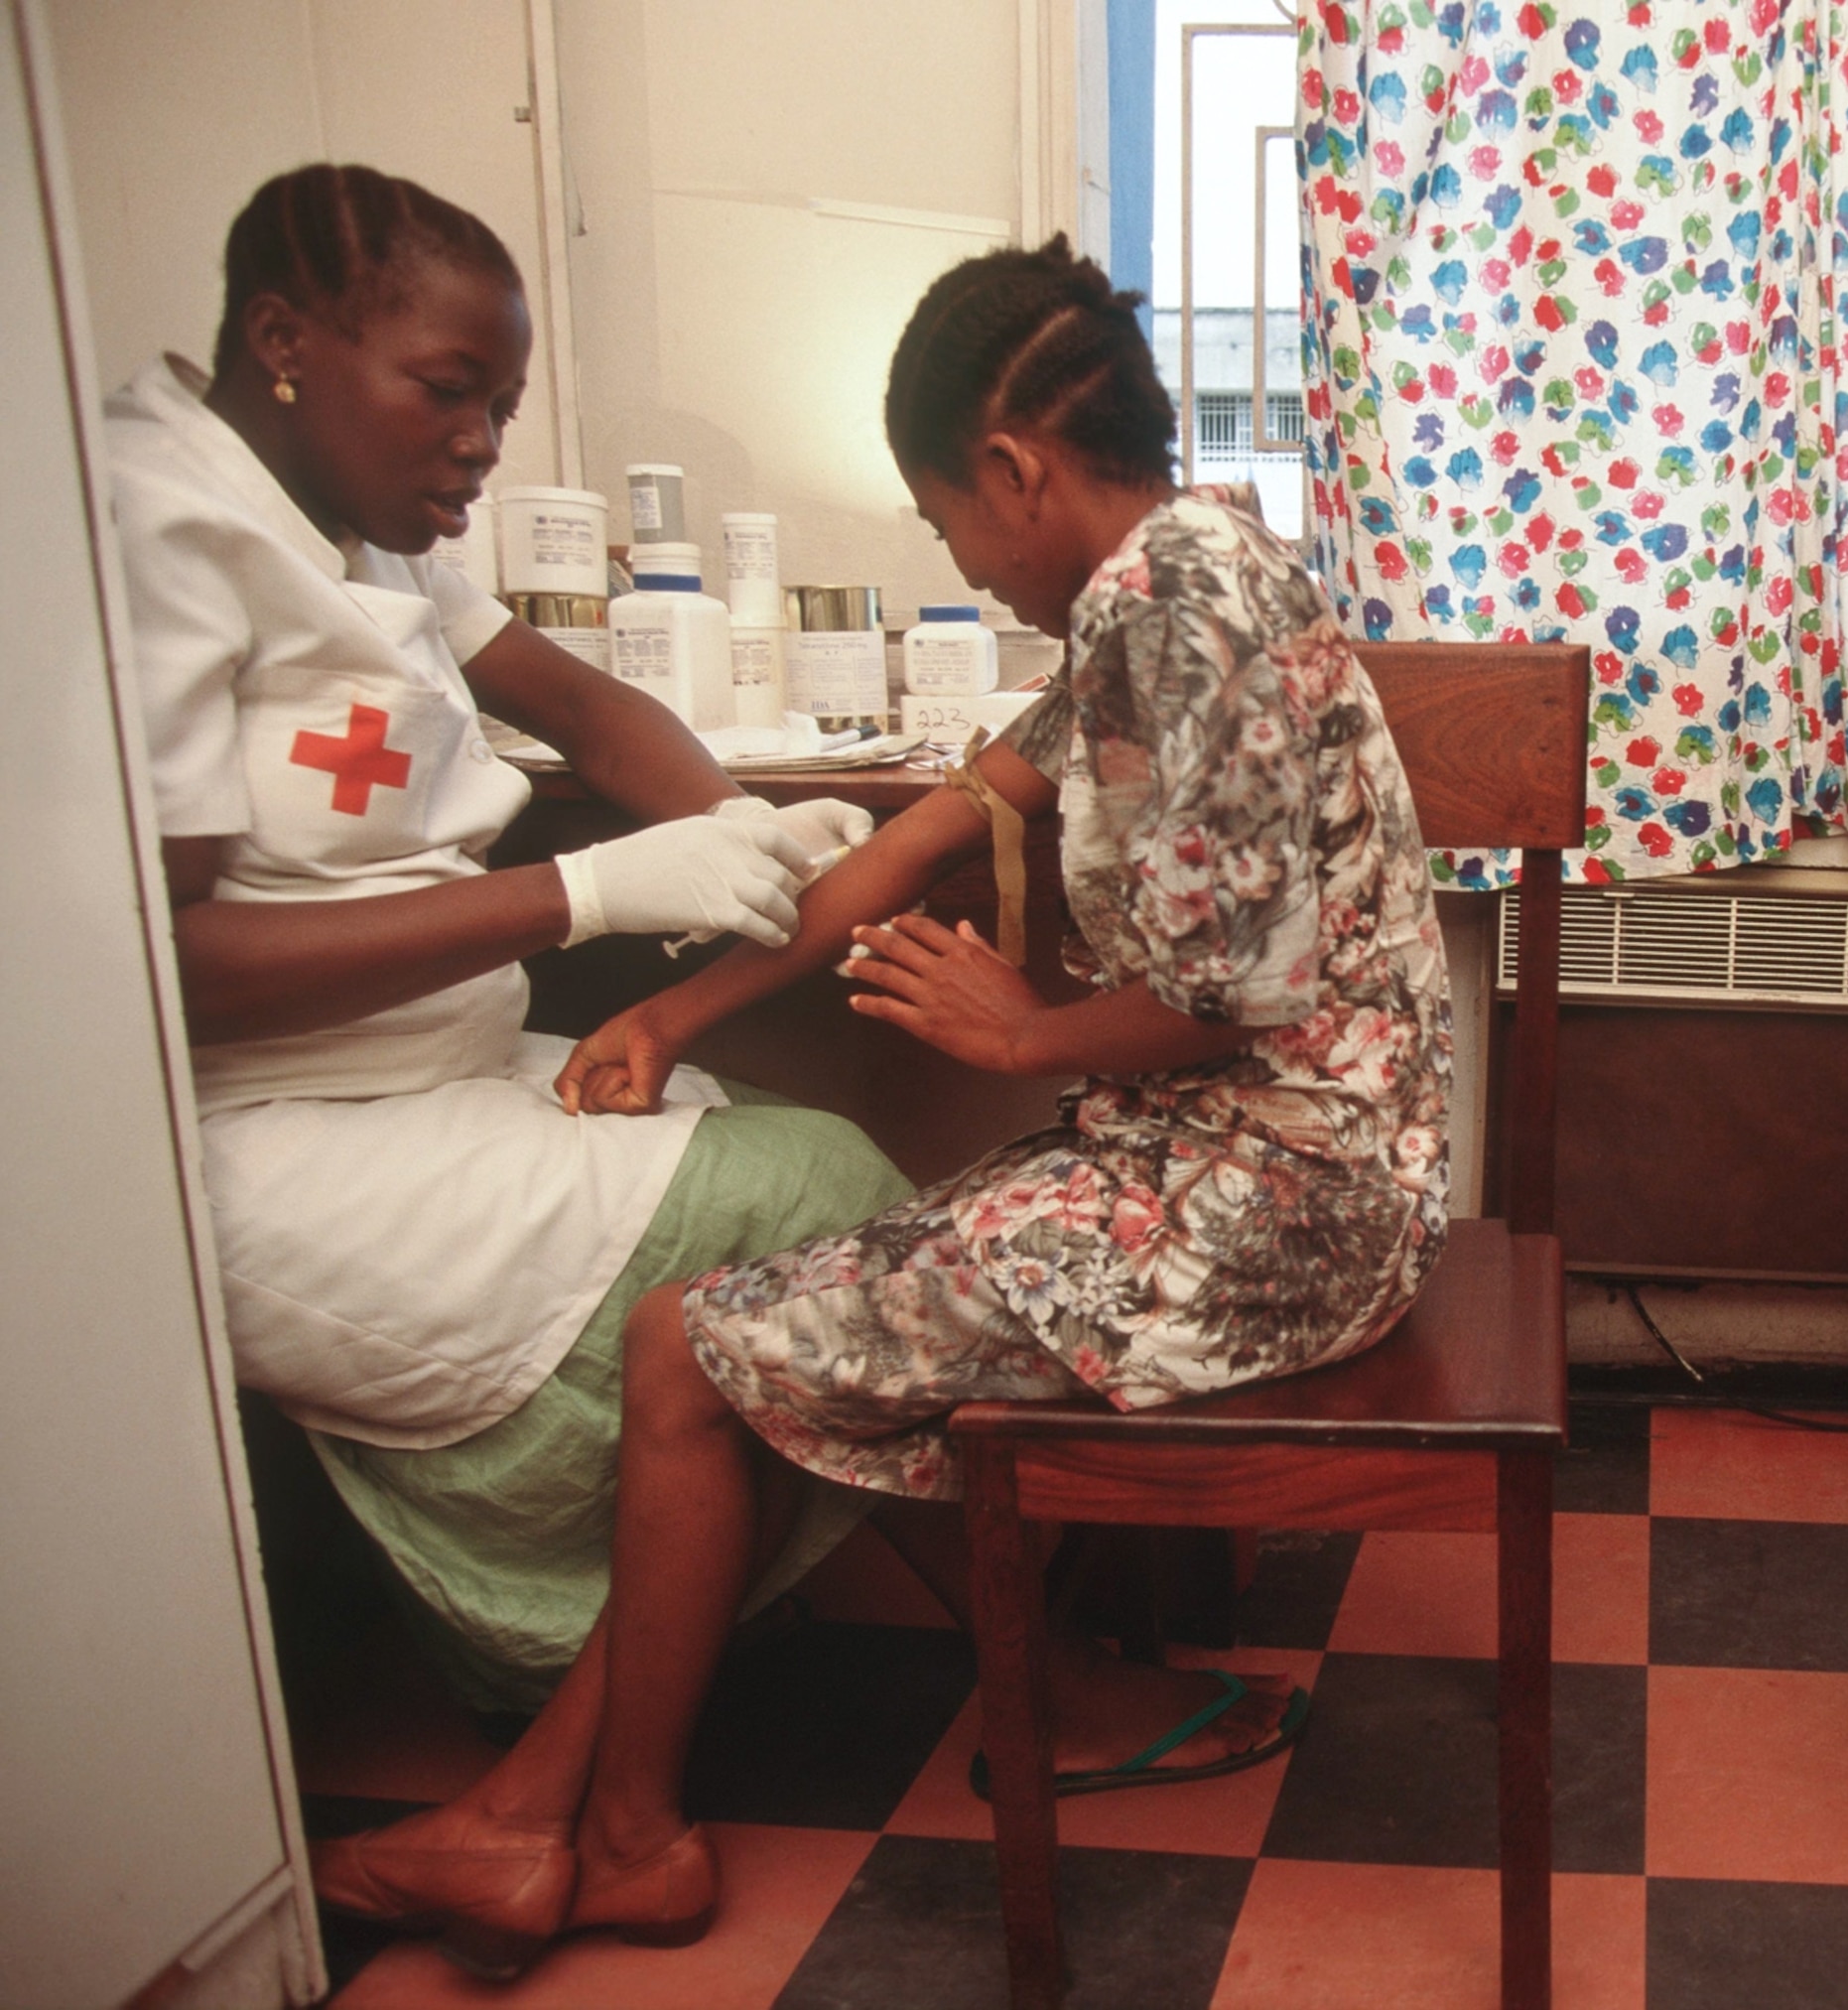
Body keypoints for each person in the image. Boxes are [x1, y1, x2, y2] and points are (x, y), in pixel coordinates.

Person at [308, 235, 1455, 1975]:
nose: (961, 561)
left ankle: (608, 1831)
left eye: (940, 524)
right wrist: (681, 1001)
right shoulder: (1157, 594)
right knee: (793, 1303)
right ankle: (567, 1819)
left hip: (1290, 1208)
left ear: (1010, 475)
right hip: (1236, 1168)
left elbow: (1249, 988)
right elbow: (919, 834)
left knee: (693, 1344)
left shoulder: (1176, 604)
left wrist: (1025, 1031)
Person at [111, 163, 903, 1722]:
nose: (481, 444)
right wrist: (588, 894)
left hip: (433, 1083)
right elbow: (169, 960)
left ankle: (620, 1719)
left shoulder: (357, 513)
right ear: (284, 337)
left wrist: (740, 820)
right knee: (830, 1196)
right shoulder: (158, 525)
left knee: (778, 1170)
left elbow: (589, 706)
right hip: (275, 1139)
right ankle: (592, 1714)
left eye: (503, 403)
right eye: (449, 393)